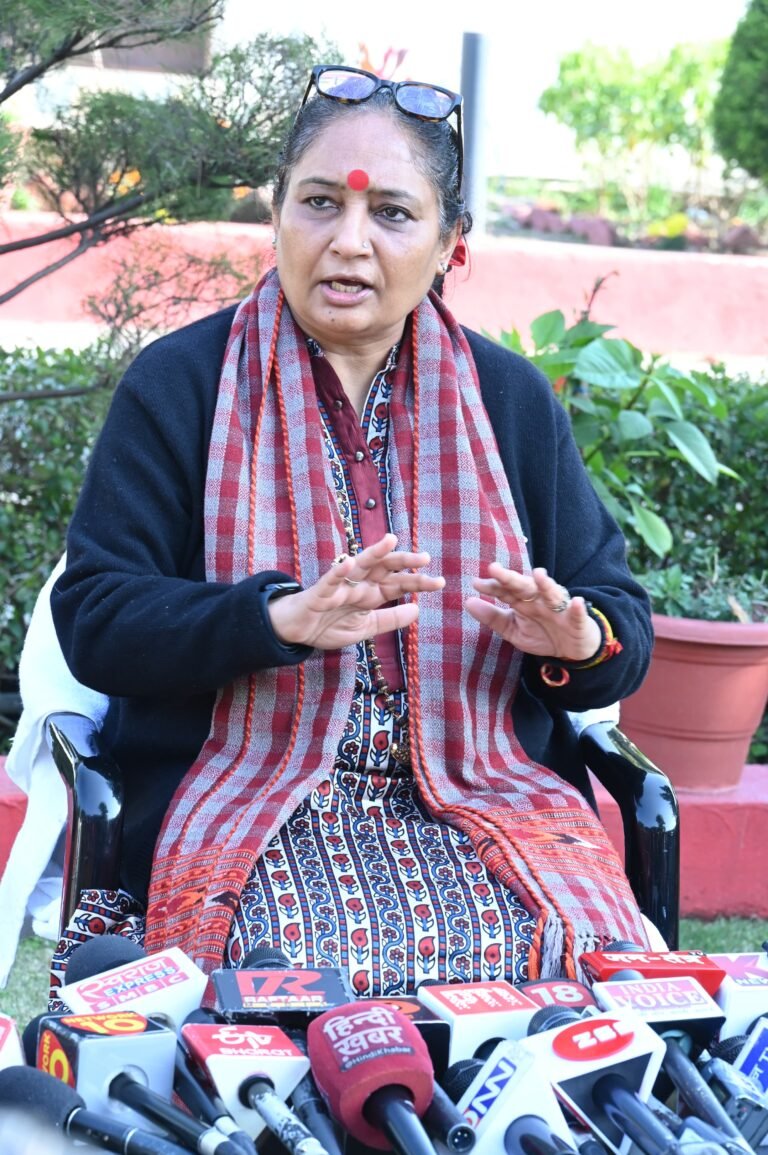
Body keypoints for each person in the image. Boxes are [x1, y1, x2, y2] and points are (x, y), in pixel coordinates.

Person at [49, 64, 654, 1004]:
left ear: (451, 243)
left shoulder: (510, 402)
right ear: (276, 215)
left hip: (490, 802)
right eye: (321, 202)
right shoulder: (181, 385)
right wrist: (271, 621)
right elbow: (96, 618)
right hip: (251, 808)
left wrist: (574, 642)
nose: (349, 241)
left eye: (393, 214)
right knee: (296, 980)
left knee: (588, 976)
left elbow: (620, 626)